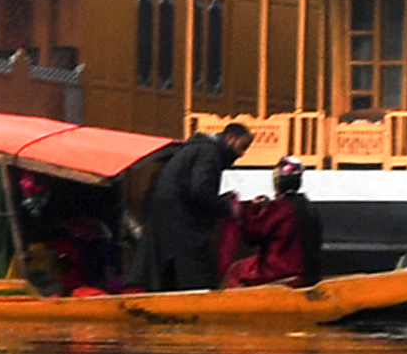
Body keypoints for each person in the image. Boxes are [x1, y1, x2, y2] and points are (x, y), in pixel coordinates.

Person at [129, 119, 245, 292]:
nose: (241, 154)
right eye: (242, 147)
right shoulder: (209, 153)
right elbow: (200, 191)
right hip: (183, 229)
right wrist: (227, 208)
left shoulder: (193, 149)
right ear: (230, 138)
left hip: (164, 228)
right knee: (197, 282)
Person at [221, 158, 314, 287]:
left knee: (236, 270)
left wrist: (253, 209)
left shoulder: (280, 207)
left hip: (279, 269)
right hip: (306, 270)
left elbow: (252, 235)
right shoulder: (309, 206)